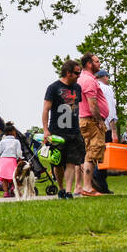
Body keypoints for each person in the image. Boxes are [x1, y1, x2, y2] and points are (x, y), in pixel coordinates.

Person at [42, 60, 85, 199]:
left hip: (74, 131)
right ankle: (60, 188)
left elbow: (76, 108)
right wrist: (46, 130)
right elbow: (46, 109)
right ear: (68, 73)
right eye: (77, 73)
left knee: (71, 162)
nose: (79, 75)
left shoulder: (77, 88)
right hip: (57, 131)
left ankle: (68, 191)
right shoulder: (53, 88)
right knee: (58, 163)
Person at [76, 53, 109, 197]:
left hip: (86, 120)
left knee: (86, 154)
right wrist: (99, 121)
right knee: (91, 154)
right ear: (89, 64)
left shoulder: (82, 78)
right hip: (91, 121)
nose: (99, 64)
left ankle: (81, 187)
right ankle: (88, 188)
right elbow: (92, 103)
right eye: (97, 61)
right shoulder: (88, 80)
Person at [0, 124, 22, 197]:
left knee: (4, 178)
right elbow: (18, 152)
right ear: (13, 132)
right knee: (13, 177)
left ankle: (6, 192)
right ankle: (12, 188)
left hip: (3, 160)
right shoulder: (16, 141)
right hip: (12, 160)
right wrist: (20, 158)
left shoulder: (2, 141)